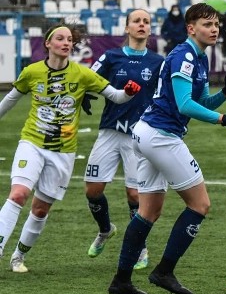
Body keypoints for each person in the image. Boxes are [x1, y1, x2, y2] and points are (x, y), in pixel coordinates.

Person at [107, 3, 226, 294]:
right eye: (207, 24)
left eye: (216, 24)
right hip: (161, 136)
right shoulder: (184, 54)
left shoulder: (198, 58)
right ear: (191, 28)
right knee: (200, 205)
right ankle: (163, 271)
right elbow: (185, 105)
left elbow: (201, 103)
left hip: (148, 134)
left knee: (148, 211)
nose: (214, 29)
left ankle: (121, 280)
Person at [0, 23, 141, 272]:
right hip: (32, 142)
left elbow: (116, 96)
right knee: (19, 194)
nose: (66, 43)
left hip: (63, 151)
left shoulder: (83, 74)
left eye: (69, 40)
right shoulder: (31, 72)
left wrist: (128, 92)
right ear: (48, 44)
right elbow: (10, 100)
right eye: (60, 39)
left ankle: (18, 256)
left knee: (40, 209)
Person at [83, 9, 164, 270]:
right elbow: (90, 77)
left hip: (138, 136)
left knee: (134, 194)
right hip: (109, 131)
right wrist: (86, 93)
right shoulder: (111, 56)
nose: (141, 25)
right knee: (93, 191)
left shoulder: (158, 62)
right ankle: (106, 230)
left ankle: (139, 248)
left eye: (146, 22)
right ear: (127, 28)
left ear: (150, 30)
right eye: (136, 21)